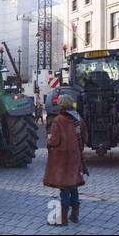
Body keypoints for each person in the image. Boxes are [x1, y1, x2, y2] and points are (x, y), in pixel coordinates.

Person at [44, 95, 89, 226]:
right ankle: (74, 215)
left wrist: (49, 139)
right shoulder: (78, 118)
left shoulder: (59, 120)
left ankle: (62, 219)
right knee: (73, 186)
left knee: (64, 187)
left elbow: (55, 140)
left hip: (63, 159)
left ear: (61, 105)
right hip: (76, 157)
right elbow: (85, 137)